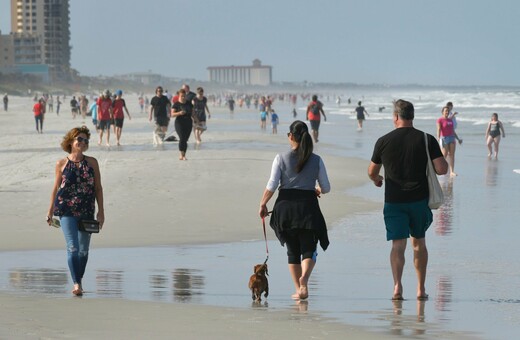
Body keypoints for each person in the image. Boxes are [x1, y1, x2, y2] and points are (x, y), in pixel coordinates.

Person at [368, 99, 448, 301]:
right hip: (418, 201)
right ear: (412, 116)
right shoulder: (426, 139)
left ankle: (397, 287)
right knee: (419, 243)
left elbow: (372, 171)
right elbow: (442, 169)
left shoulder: (383, 141)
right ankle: (420, 289)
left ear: (396, 117)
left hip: (394, 201)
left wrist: (377, 180)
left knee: (397, 245)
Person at [259, 120, 331, 301]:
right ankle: (304, 281)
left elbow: (272, 185)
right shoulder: (316, 160)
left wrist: (263, 204)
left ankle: (299, 289)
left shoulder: (280, 158)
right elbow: (326, 187)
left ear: (291, 136)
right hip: (308, 207)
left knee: (292, 251)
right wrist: (317, 189)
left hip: (285, 209)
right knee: (309, 248)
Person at [46, 126, 105, 296]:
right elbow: (56, 188)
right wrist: (49, 211)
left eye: (86, 140)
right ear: (71, 141)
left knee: (83, 250)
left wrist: (101, 211)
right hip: (66, 210)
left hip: (87, 210)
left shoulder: (92, 162)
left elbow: (98, 188)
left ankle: (78, 278)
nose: (83, 142)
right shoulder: (61, 163)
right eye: (79, 139)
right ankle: (77, 284)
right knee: (72, 247)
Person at [437, 106, 463, 176]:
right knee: (444, 155)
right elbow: (439, 129)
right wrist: (438, 138)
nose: (447, 112)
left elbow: (453, 131)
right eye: (445, 111)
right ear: (442, 112)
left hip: (452, 138)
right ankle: (439, 169)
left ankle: (452, 171)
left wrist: (458, 139)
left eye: (448, 111)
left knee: (452, 155)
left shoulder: (450, 120)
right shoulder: (440, 120)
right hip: (444, 138)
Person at [171, 89, 193, 160]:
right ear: (179, 96)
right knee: (182, 138)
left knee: (185, 139)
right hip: (179, 123)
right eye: (181, 96)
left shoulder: (189, 103)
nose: (183, 97)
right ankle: (181, 154)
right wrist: (179, 113)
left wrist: (197, 120)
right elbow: (172, 114)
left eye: (184, 96)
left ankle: (184, 154)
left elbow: (193, 113)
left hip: (189, 122)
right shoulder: (176, 104)